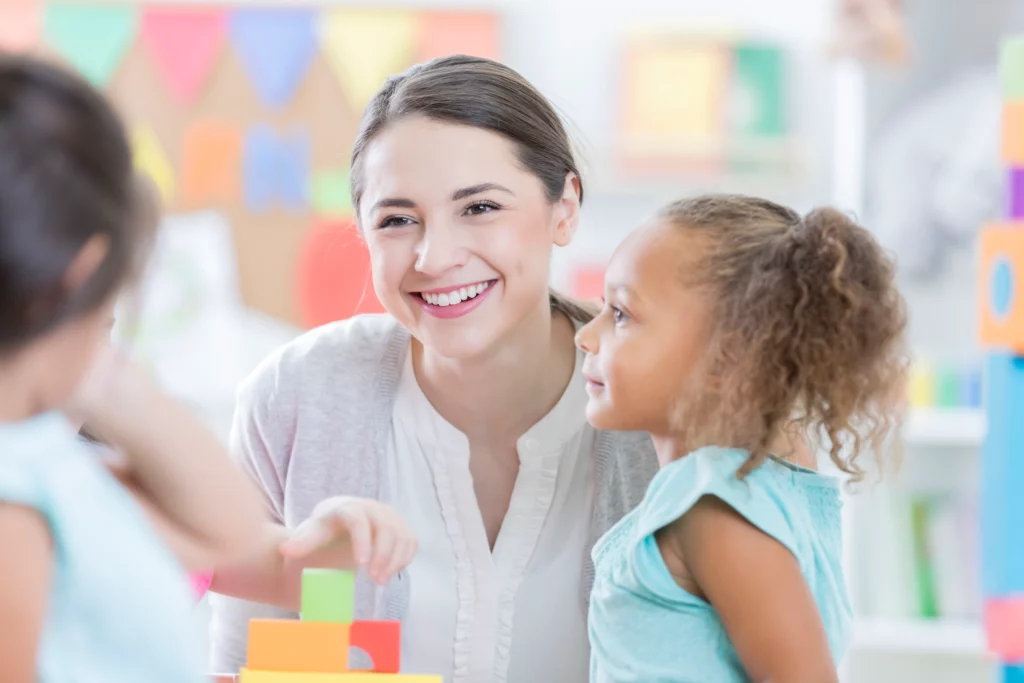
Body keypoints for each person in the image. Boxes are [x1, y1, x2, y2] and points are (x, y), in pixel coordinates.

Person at [208, 55, 660, 681]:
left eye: (479, 208)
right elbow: (243, 667)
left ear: (564, 207)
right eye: (397, 220)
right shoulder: (298, 398)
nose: (435, 256)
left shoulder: (664, 407)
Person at [0, 54, 267, 682]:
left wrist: (90, 362)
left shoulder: (41, 457)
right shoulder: (15, 503)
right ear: (86, 276)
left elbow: (230, 530)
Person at [578, 195, 908, 682]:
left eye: (622, 314)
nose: (586, 334)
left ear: (726, 360)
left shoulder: (712, 504)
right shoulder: (768, 478)